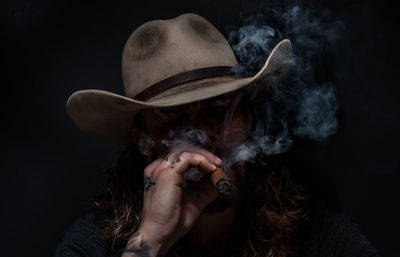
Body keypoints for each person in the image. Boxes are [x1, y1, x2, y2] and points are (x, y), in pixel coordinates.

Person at [55, 13, 380, 257]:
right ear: (144, 140)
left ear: (248, 118)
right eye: (173, 118)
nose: (202, 136)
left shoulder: (320, 239)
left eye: (218, 110)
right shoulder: (93, 245)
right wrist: (151, 239)